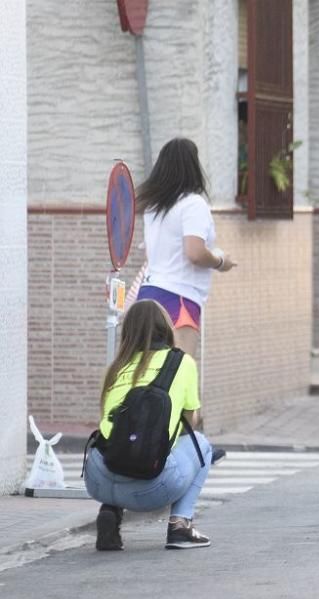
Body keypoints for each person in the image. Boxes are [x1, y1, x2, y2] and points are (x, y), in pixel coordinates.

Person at [83, 300, 215, 551]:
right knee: (201, 445)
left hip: (98, 480)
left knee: (122, 441)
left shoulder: (116, 367)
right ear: (166, 327)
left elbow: (108, 424)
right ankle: (180, 526)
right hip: (150, 487)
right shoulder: (182, 363)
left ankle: (110, 509)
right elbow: (190, 422)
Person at [135, 138, 237, 357]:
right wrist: (220, 262)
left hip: (147, 296)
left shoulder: (153, 207)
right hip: (178, 299)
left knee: (146, 375)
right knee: (180, 374)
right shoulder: (193, 204)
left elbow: (151, 255)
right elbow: (195, 252)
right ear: (192, 167)